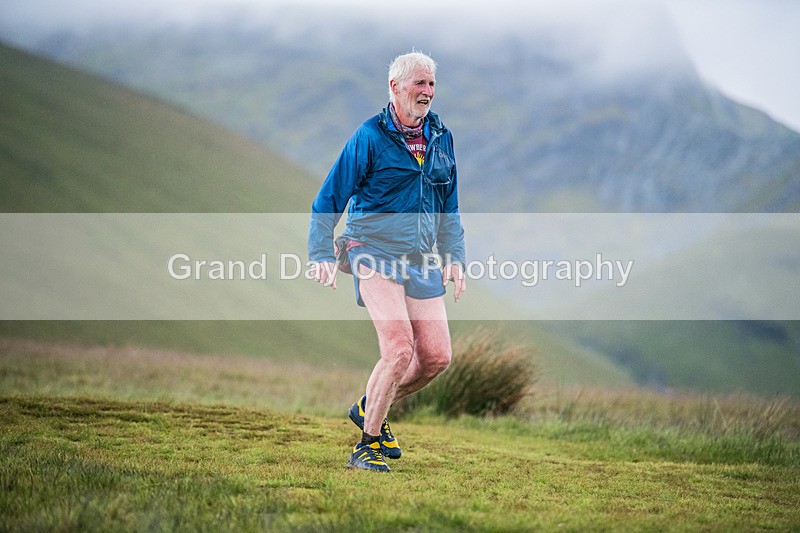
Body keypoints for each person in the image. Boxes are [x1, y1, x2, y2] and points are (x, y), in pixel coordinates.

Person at [308, 51, 466, 472]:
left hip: (421, 257)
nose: (427, 92)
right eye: (419, 83)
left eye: (431, 84)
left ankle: (369, 404)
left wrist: (456, 257)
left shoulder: (441, 137)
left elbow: (449, 206)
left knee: (435, 357)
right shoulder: (368, 137)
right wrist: (322, 251)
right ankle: (367, 445)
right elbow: (328, 198)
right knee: (398, 348)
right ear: (394, 87)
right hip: (371, 250)